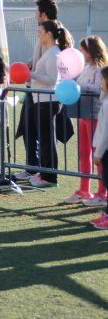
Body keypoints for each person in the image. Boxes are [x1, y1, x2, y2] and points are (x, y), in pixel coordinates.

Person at [15, 0, 73, 180]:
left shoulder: (51, 35)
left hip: (45, 95)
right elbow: (43, 62)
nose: (34, 16)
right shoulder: (46, 35)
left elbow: (53, 72)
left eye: (36, 13)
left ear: (44, 15)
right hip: (37, 92)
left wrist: (31, 74)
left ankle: (44, 173)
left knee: (43, 135)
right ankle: (35, 168)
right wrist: (33, 64)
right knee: (30, 130)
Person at [27, 20, 71, 188]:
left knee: (47, 141)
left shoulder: (54, 54)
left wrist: (33, 75)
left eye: (41, 31)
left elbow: (52, 80)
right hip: (42, 101)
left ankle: (50, 177)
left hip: (47, 102)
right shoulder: (50, 52)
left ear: (49, 34)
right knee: (45, 139)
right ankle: (45, 172)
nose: (38, 35)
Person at [64, 36, 108, 205]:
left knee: (98, 153)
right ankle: (84, 189)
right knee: (84, 153)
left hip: (95, 115)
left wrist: (79, 87)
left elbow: (99, 88)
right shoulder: (85, 68)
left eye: (83, 50)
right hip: (83, 113)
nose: (80, 53)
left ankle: (102, 192)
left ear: (91, 51)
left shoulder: (100, 69)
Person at [90, 66, 108, 229]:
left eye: (102, 80)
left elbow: (106, 132)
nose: (100, 83)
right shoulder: (106, 100)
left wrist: (99, 152)